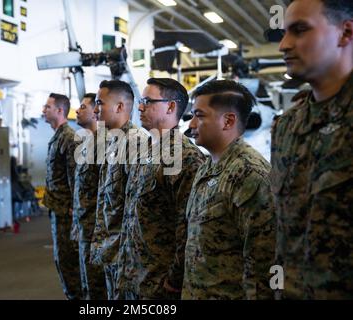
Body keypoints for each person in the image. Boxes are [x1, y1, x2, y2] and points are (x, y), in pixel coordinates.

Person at [272, 0, 353, 299]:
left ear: (345, 33)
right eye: (284, 33)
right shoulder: (287, 126)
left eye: (299, 30)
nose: (283, 45)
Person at [183, 80, 275, 300]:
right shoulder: (208, 166)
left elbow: (267, 260)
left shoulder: (250, 174)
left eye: (200, 115)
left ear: (228, 120)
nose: (191, 124)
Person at [116, 78, 206, 299]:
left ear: (171, 106)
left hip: (160, 284)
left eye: (147, 101)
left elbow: (188, 225)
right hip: (134, 274)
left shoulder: (186, 157)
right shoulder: (145, 151)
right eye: (140, 101)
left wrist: (174, 279)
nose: (139, 107)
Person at [90, 80, 147, 300]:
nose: (95, 110)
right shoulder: (114, 141)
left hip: (126, 256)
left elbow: (138, 209)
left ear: (120, 107)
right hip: (112, 250)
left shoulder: (136, 143)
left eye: (99, 103)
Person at [43, 93, 81, 300]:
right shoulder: (58, 136)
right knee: (62, 260)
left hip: (66, 211)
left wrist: (73, 208)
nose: (43, 110)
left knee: (68, 262)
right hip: (58, 208)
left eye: (47, 107)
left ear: (59, 110)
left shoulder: (68, 137)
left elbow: (75, 177)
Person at [72, 93, 107, 300]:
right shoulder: (86, 144)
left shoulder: (105, 146)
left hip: (97, 231)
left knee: (97, 289)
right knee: (87, 285)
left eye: (83, 107)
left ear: (95, 113)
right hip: (84, 225)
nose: (78, 110)